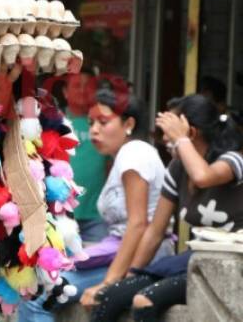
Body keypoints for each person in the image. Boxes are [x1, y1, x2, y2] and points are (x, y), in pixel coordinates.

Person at [19, 88, 171, 321]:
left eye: (103, 122)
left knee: (39, 294)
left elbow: (138, 224)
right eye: (91, 123)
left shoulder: (134, 153)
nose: (94, 130)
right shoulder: (128, 154)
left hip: (142, 258)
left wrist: (111, 282)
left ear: (128, 123)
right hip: (124, 253)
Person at [89, 94, 243, 322]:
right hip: (194, 258)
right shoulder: (177, 169)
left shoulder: (234, 160)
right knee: (112, 296)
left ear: (191, 132)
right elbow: (154, 231)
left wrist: (181, 140)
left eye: (169, 132)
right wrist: (131, 275)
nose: (163, 139)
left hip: (231, 261)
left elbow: (202, 177)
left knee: (145, 300)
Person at [62, 71, 109, 243]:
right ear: (65, 92)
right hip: (61, 214)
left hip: (96, 216)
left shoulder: (106, 123)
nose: (82, 90)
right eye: (76, 85)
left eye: (87, 86)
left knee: (99, 266)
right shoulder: (56, 123)